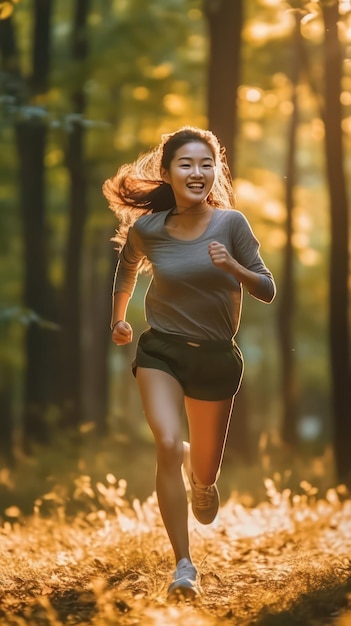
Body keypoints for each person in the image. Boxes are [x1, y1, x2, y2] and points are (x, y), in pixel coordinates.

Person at [103, 126, 276, 601]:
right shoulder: (148, 230)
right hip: (162, 349)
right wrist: (118, 319)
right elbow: (127, 267)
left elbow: (266, 287)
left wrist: (234, 269)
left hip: (216, 357)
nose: (196, 172)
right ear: (167, 172)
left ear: (215, 170)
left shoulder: (231, 224)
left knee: (203, 467)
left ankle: (201, 478)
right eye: (185, 164)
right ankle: (183, 565)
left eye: (205, 164)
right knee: (164, 442)